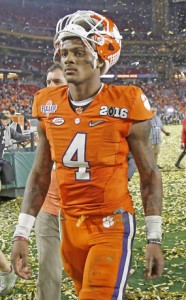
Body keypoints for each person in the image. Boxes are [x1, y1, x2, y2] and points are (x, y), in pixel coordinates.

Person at [11, 10, 164, 300]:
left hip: (111, 224)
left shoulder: (127, 101)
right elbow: (41, 173)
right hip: (68, 225)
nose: (68, 58)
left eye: (79, 52)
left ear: (102, 59)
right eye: (64, 52)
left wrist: (153, 236)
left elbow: (150, 174)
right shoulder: (46, 102)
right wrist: (21, 233)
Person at [34, 63, 67, 300]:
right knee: (48, 274)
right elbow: (40, 168)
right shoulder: (46, 116)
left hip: (81, 210)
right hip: (48, 207)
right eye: (48, 81)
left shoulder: (95, 114)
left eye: (57, 81)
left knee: (91, 275)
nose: (50, 86)